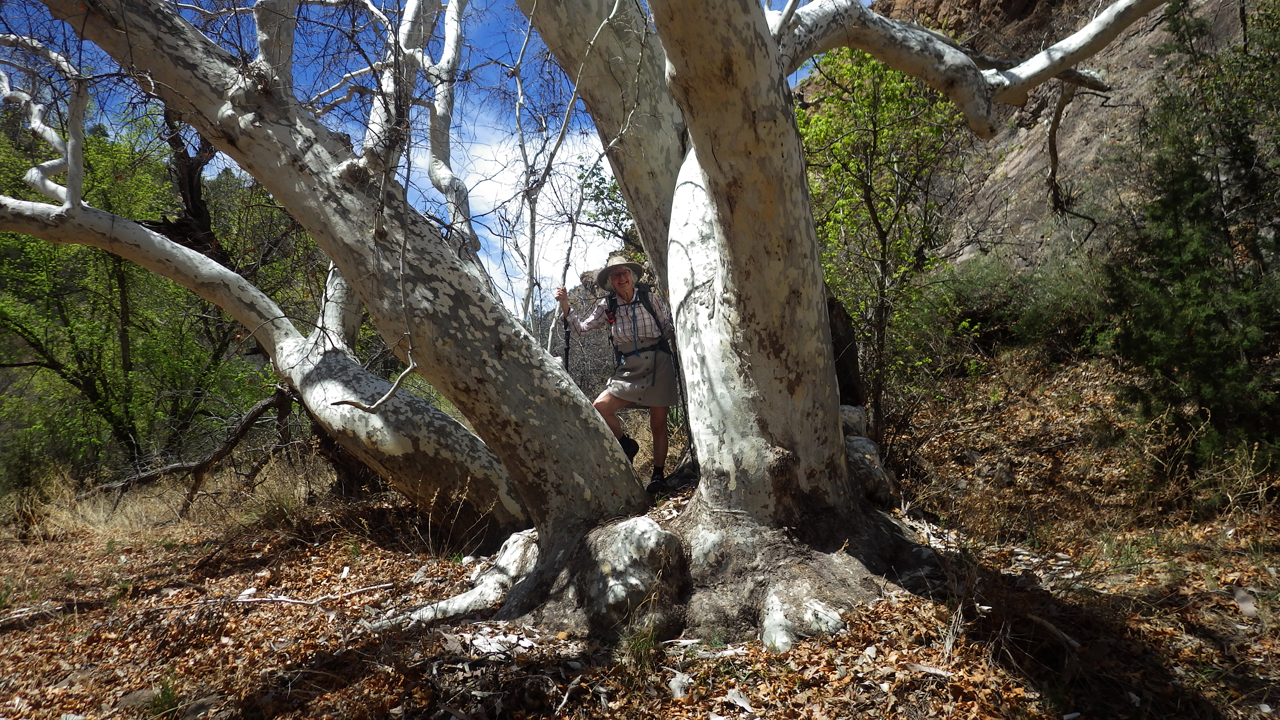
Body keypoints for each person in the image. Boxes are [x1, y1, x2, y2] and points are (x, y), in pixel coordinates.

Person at [555, 254, 679, 494]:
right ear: (611, 281)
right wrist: (565, 305)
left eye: (624, 273)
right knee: (600, 407)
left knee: (659, 424)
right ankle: (627, 444)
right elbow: (581, 330)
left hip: (658, 362)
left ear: (631, 276)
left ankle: (658, 476)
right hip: (629, 367)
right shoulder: (607, 305)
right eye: (616, 275)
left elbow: (667, 329)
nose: (621, 278)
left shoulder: (649, 298)